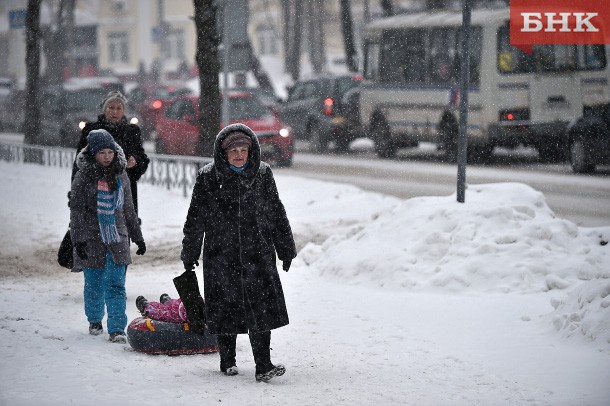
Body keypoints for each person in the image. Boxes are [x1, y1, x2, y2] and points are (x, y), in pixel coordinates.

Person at [181, 123, 297, 383]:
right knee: (224, 307)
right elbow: (196, 218)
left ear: (251, 150)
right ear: (223, 152)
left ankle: (263, 365)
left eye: (244, 149)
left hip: (258, 253)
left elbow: (276, 212)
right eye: (233, 150)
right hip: (221, 255)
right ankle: (227, 358)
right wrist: (190, 252)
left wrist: (285, 249)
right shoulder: (208, 177)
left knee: (261, 308)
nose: (239, 155)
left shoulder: (263, 174)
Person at [70, 129, 146, 343]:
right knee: (93, 283)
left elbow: (128, 208)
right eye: (101, 152)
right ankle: (95, 320)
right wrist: (78, 241)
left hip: (117, 235)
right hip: (91, 236)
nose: (106, 157)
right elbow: (76, 211)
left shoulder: (121, 173)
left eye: (110, 152)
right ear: (93, 153)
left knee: (115, 283)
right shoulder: (83, 176)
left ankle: (116, 328)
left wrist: (137, 237)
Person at [72, 90, 149, 214]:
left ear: (124, 111)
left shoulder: (131, 132)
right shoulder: (92, 131)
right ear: (104, 109)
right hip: (95, 193)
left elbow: (142, 159)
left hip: (124, 195)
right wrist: (76, 194)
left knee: (123, 230)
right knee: (96, 230)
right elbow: (79, 163)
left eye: (119, 108)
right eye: (111, 107)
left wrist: (135, 161)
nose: (115, 112)